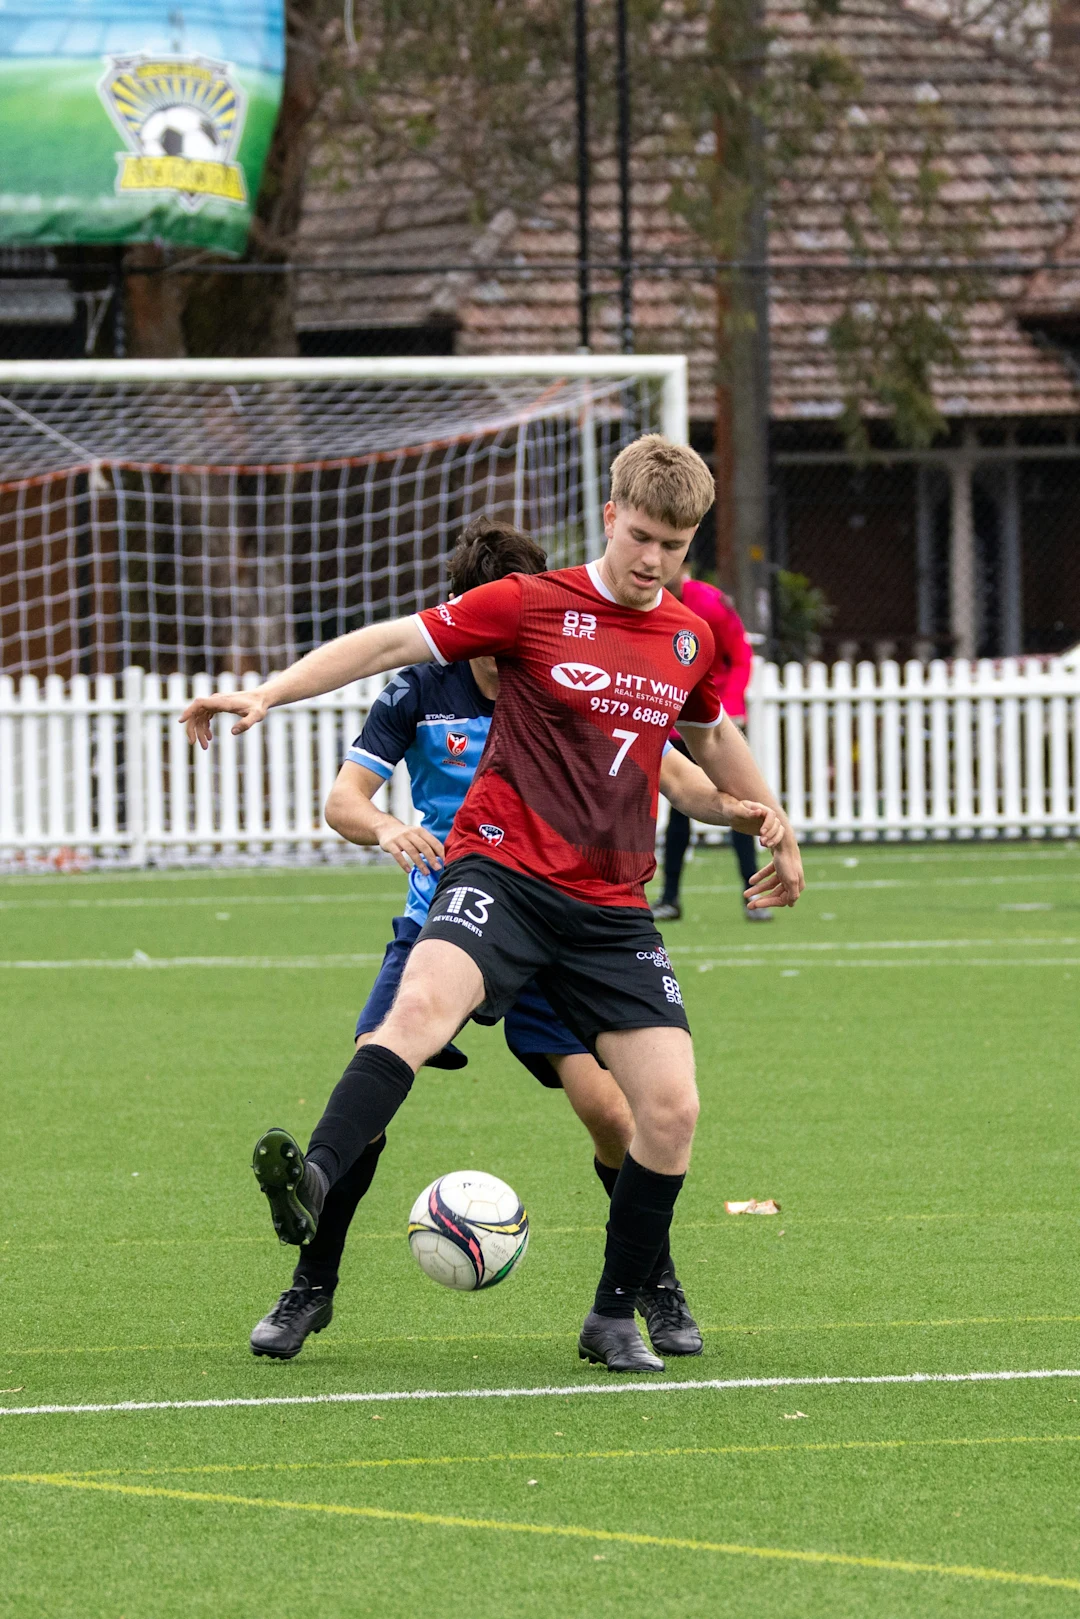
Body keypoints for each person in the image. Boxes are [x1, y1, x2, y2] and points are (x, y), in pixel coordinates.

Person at [184, 433, 804, 1374]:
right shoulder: (532, 603)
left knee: (667, 1109)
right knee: (416, 1012)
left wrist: (775, 820)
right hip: (502, 875)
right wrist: (271, 690)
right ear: (609, 516)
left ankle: (612, 1317)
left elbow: (710, 744)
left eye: (674, 546)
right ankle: (311, 1185)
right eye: (640, 535)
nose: (652, 560)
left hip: (609, 907)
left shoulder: (690, 635)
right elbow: (389, 641)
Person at [653, 565, 766, 922]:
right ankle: (670, 899)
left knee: (740, 807)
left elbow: (740, 654)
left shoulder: (711, 604)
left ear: (684, 567)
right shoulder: (644, 603)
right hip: (676, 724)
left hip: (716, 724)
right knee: (678, 812)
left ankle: (754, 897)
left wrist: (728, 709)